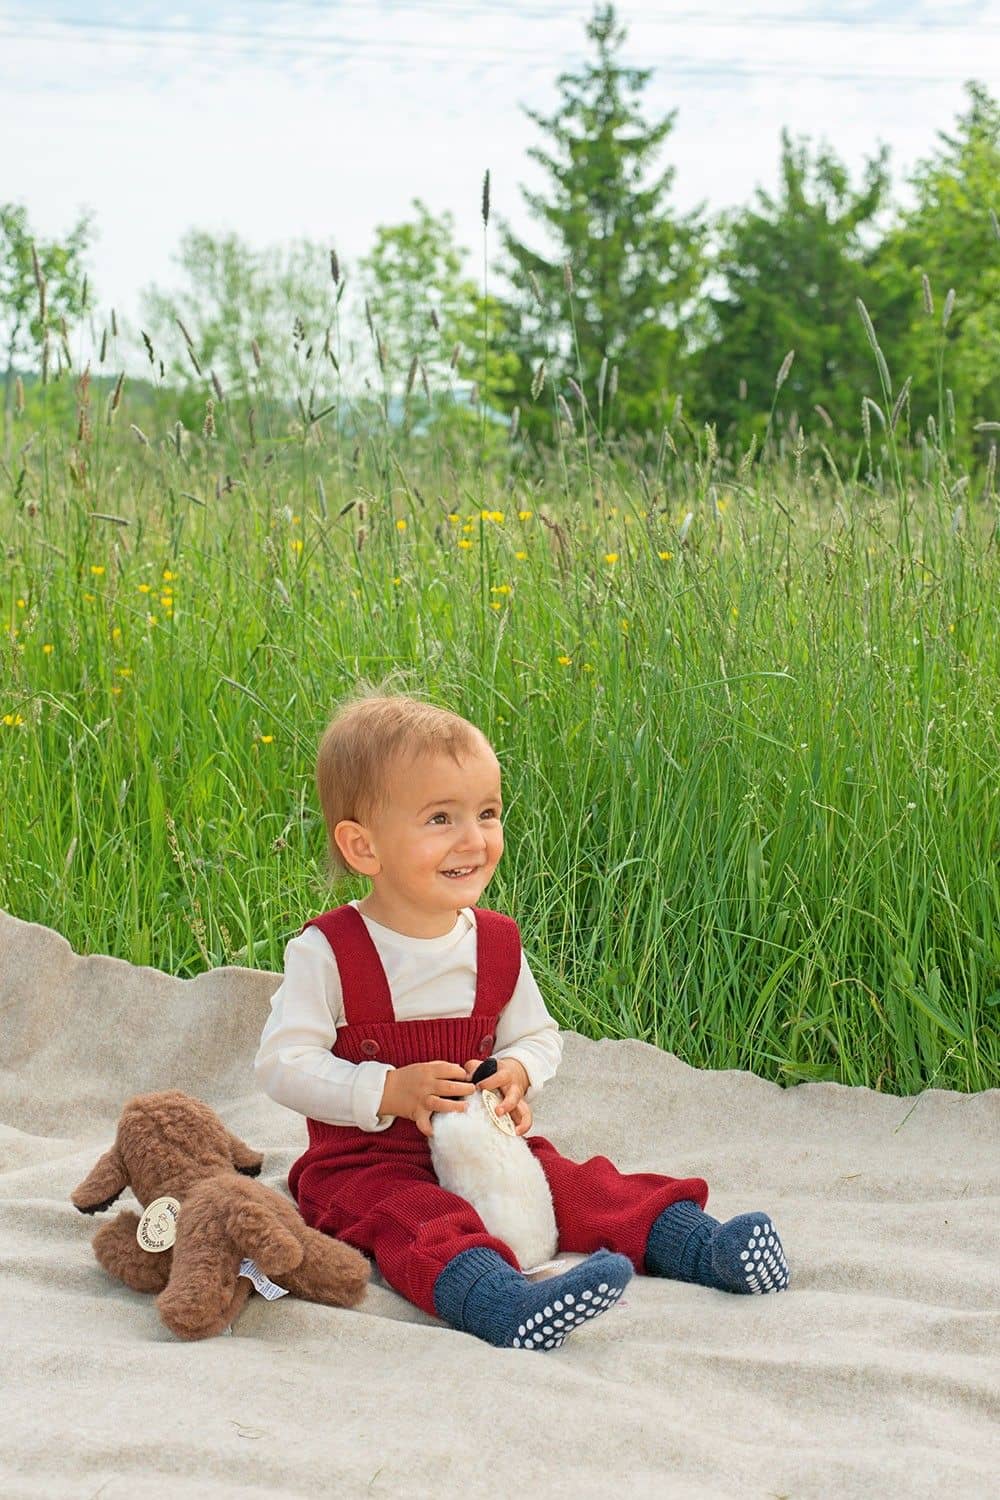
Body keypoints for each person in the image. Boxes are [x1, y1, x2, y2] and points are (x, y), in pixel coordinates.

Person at [255, 692, 790, 1351]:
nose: (474, 840)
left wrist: (516, 1071)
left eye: (487, 813)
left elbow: (537, 1035)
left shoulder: (496, 944)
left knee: (581, 1184)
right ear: (364, 846)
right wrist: (386, 1090)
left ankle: (705, 1247)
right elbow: (283, 1063)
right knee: (417, 1222)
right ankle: (502, 1302)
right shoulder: (330, 951)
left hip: (486, 1142)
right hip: (367, 1163)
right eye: (440, 819)